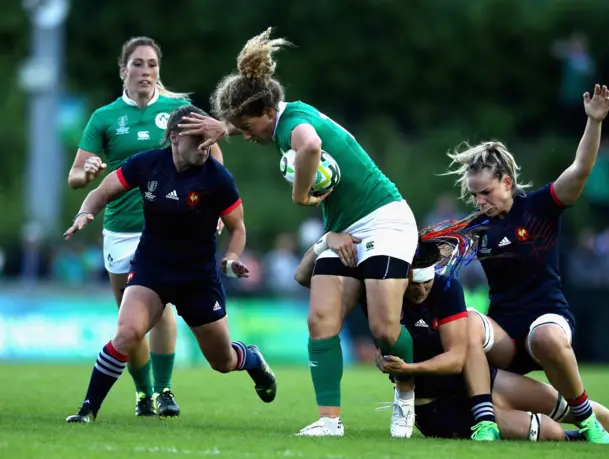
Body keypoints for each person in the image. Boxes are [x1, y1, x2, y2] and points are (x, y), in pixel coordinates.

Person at [180, 28, 418, 437]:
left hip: (384, 219)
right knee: (319, 319)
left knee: (384, 330)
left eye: (245, 125)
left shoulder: (295, 123)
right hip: (343, 230)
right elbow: (268, 130)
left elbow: (307, 146)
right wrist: (225, 128)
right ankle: (330, 421)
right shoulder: (278, 119)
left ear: (267, 111)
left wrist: (301, 195)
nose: (246, 134)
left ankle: (406, 394)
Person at [296, 227, 609, 441]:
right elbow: (302, 276)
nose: (421, 291)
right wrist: (325, 240)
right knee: (548, 431)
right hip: (438, 408)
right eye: (414, 284)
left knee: (565, 405)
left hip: (479, 381)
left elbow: (458, 357)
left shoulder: (446, 288)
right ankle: (572, 442)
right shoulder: (381, 292)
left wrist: (408, 370)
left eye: (427, 282)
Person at [64, 105, 276, 423]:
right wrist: (85, 212)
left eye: (209, 138)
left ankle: (251, 358)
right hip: (152, 269)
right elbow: (103, 191)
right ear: (175, 137)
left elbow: (238, 229)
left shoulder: (218, 178)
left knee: (222, 361)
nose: (205, 146)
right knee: (127, 333)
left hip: (197, 277)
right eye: (198, 139)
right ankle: (87, 410)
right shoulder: (147, 164)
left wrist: (231, 259)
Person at [442, 84, 609, 443]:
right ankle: (485, 420)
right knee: (469, 321)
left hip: (548, 322)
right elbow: (430, 253)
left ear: (507, 182)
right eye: (474, 194)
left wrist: (594, 122)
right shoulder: (474, 227)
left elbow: (581, 169)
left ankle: (586, 419)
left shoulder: (540, 207)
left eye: (486, 192)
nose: (479, 201)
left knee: (547, 337)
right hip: (507, 337)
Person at [67, 37, 219, 417]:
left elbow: (214, 158)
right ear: (124, 70)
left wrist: (216, 209)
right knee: (130, 321)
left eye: (152, 64)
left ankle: (164, 390)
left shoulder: (178, 111)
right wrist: (85, 174)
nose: (146, 71)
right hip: (120, 228)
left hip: (170, 229)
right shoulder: (104, 118)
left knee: (163, 309)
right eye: (137, 64)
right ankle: (143, 394)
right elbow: (74, 176)